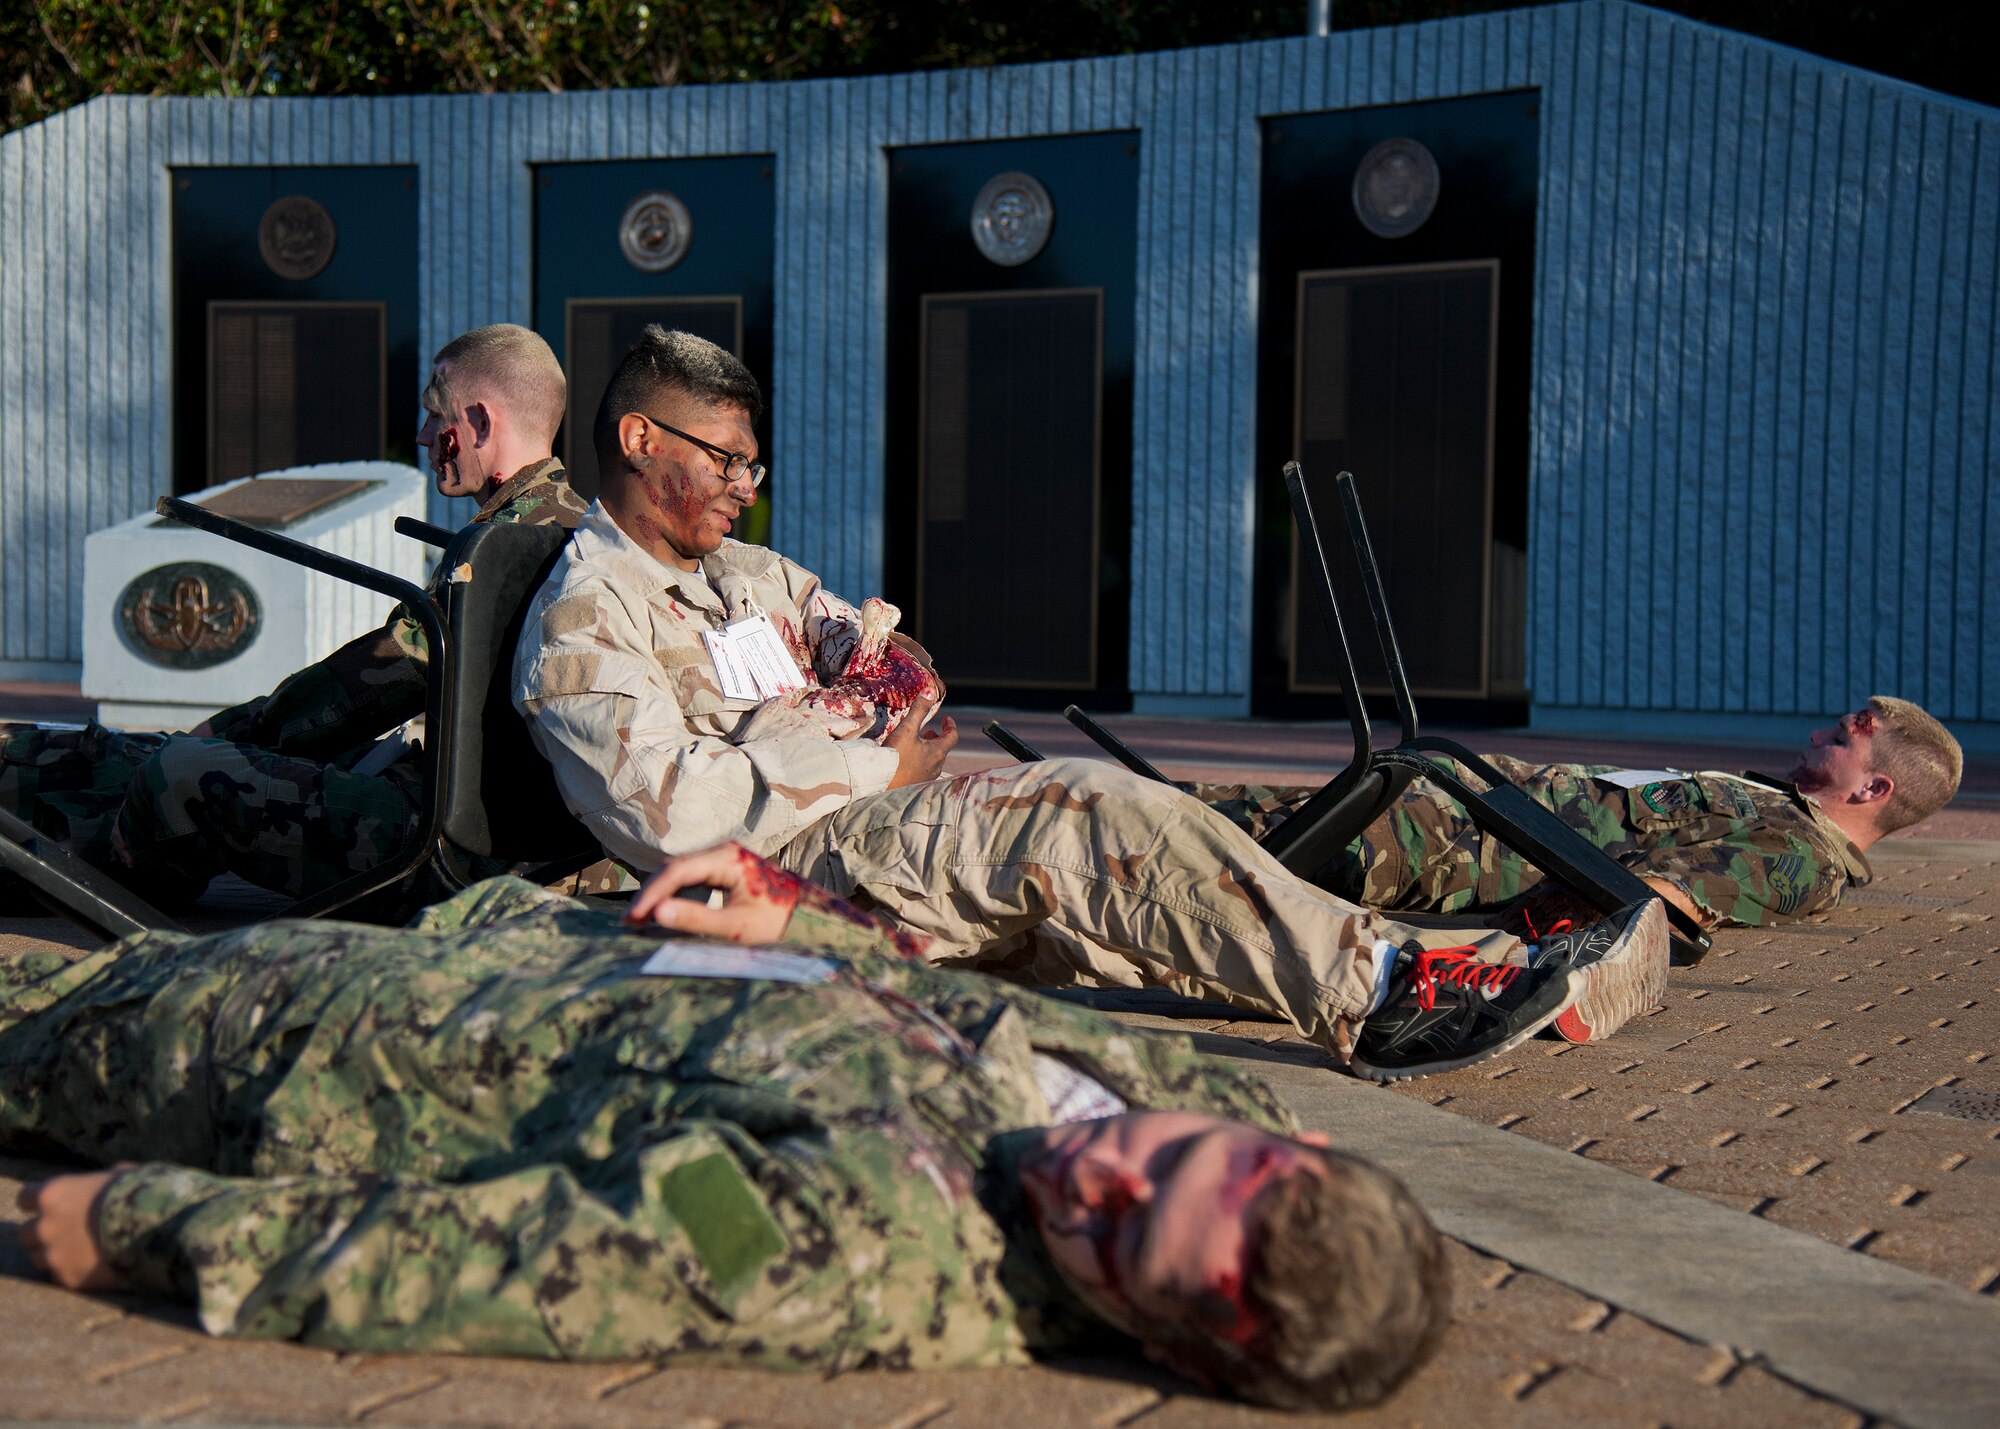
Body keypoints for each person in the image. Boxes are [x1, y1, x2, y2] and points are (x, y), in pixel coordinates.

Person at [511, 327, 1671, 1081]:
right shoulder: (586, 617)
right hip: (776, 891)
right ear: (633, 438)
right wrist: (870, 754)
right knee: (1079, 813)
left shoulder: (739, 579)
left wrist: (847, 710)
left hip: (848, 844)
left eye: (751, 467)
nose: (742, 488)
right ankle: (1389, 992)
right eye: (723, 461)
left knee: (1136, 875)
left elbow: (896, 664)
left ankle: (1461, 971)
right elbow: (682, 820)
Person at [7, 845, 1450, 1412]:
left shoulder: (873, 1245)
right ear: (1286, 1152)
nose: (1109, 1165)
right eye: (1173, 1158)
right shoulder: (1228, 1112)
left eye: (1127, 1235)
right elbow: (971, 1024)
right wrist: (798, 922)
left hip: (282, 1059)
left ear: (1164, 1346)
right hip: (476, 956)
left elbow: (531, 1262)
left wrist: (154, 1231)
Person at [0, 324, 588, 907]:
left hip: (470, 857)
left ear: (481, 423)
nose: (423, 434)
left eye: (439, 416)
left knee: (181, 771)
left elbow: (375, 683)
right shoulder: (574, 529)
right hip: (488, 826)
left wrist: (231, 732)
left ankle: (62, 877)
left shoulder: (509, 546)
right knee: (132, 756)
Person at [1193, 696, 1962, 953]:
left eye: (1841, 736)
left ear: (1874, 787)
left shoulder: (1798, 856)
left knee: (1189, 836)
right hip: (1440, 801)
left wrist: (1500, 949)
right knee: (1199, 808)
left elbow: (1660, 900)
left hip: (1438, 842)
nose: (1819, 735)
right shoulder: (1779, 811)